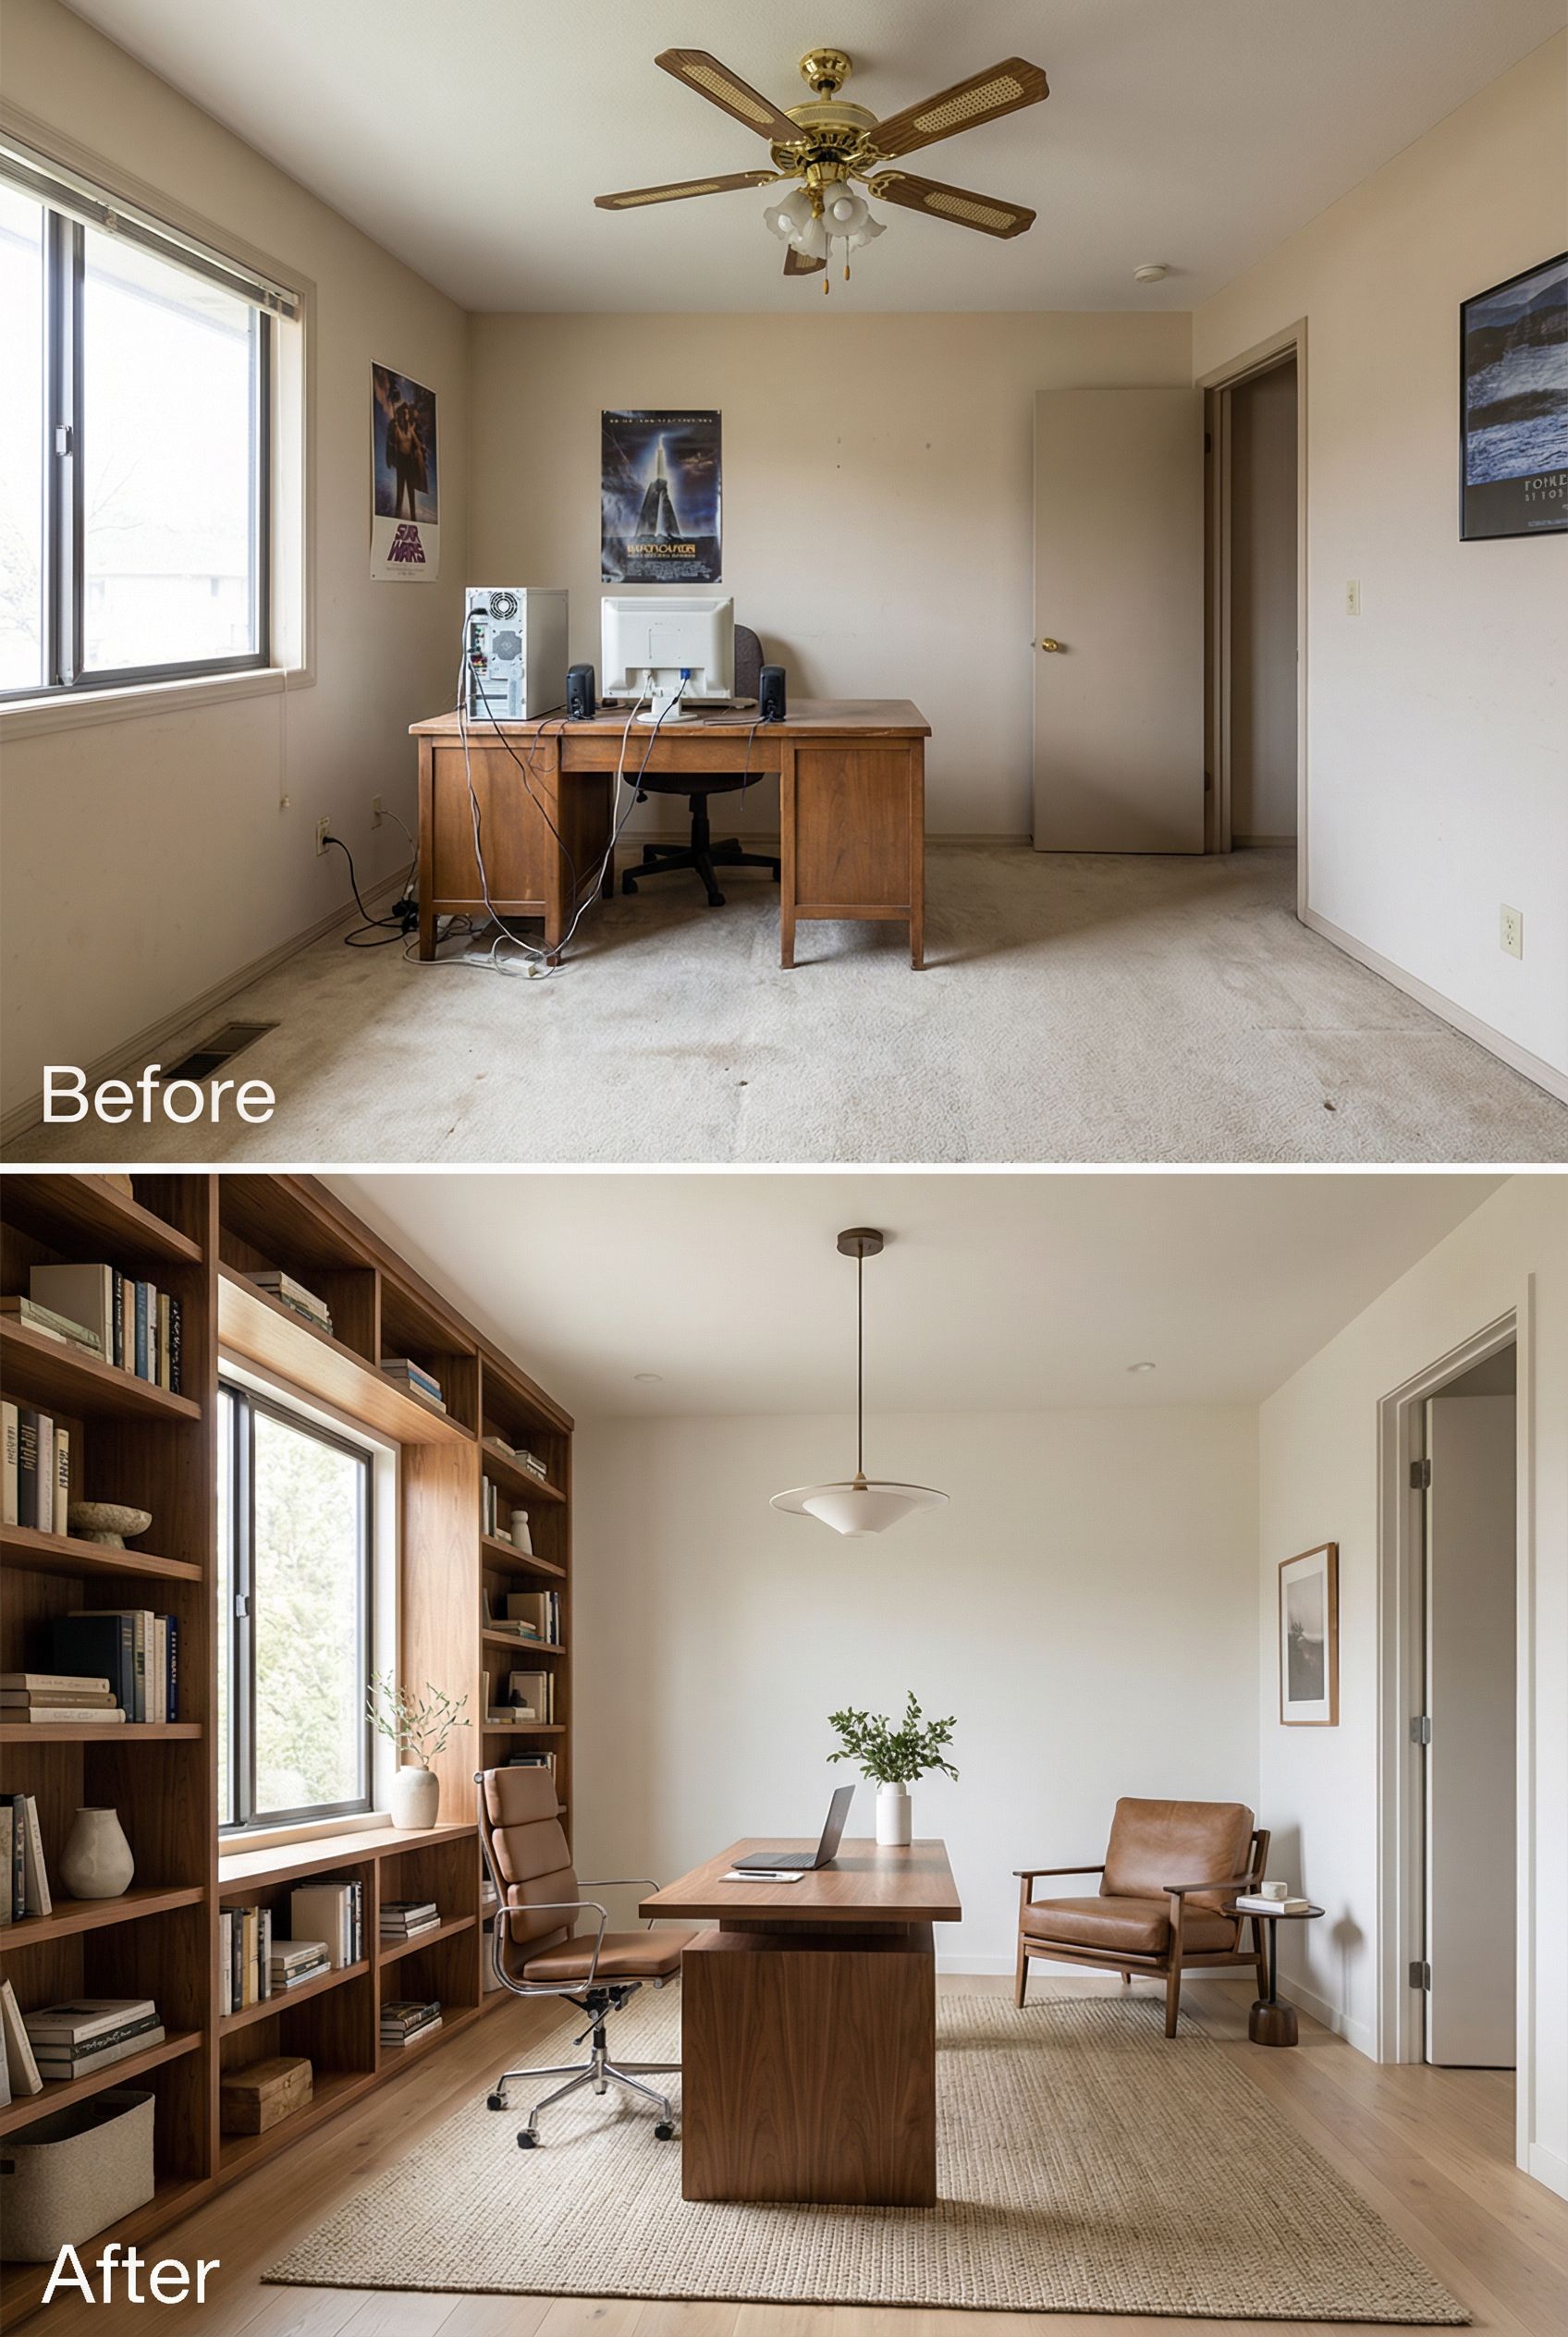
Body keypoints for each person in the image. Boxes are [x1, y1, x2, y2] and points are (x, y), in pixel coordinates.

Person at [386, 396, 427, 520]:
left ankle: (413, 517)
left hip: (410, 462)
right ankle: (397, 515)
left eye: (407, 413)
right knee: (400, 490)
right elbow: (392, 442)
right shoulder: (396, 427)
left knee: (411, 490)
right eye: (403, 413)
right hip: (401, 461)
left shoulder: (411, 429)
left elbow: (419, 445)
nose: (405, 416)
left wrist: (413, 432)